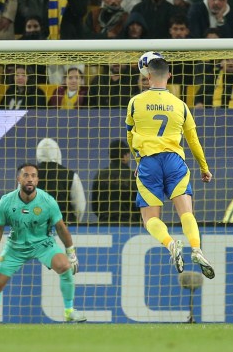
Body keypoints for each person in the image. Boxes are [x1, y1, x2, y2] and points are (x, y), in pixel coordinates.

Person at [126, 53, 215, 278]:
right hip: (175, 161)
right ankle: (196, 248)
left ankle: (170, 244)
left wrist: (138, 161)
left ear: (147, 77)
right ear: (170, 76)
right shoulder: (180, 105)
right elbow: (193, 140)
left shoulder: (135, 103)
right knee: (186, 213)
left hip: (149, 162)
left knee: (151, 219)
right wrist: (204, 168)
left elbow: (130, 136)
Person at [0, 162, 85, 324]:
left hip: (43, 244)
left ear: (37, 180)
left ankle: (69, 311)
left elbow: (61, 229)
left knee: (64, 267)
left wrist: (71, 253)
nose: (30, 179)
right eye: (26, 175)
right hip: (15, 247)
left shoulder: (48, 201)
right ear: (19, 179)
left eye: (33, 176)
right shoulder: (6, 201)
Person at [89, 139, 139, 225]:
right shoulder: (133, 177)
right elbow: (140, 204)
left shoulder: (100, 176)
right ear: (125, 156)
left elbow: (95, 205)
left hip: (105, 224)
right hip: (130, 225)